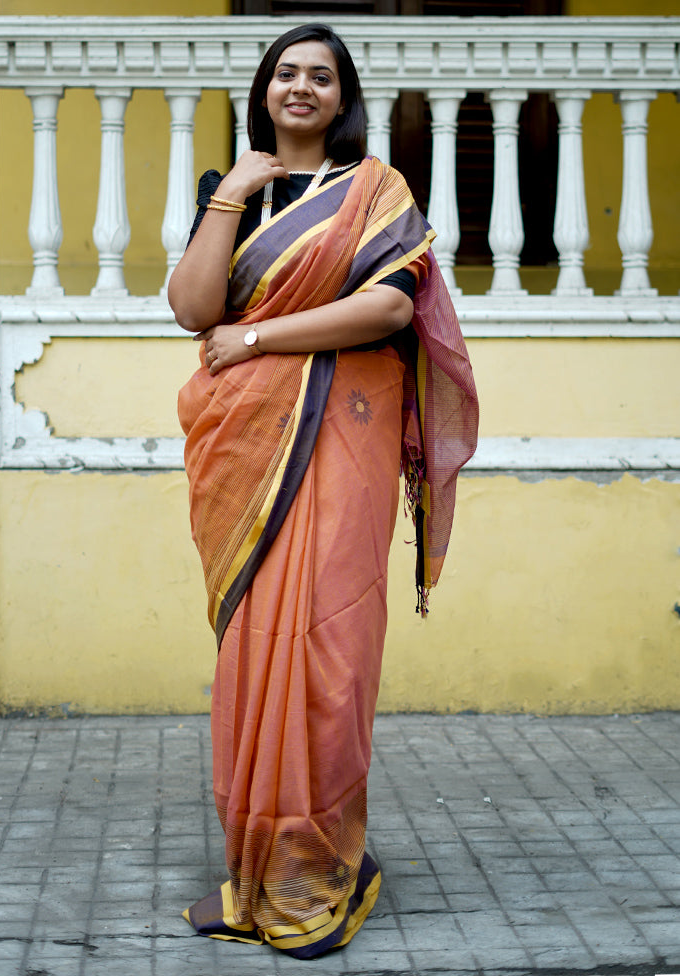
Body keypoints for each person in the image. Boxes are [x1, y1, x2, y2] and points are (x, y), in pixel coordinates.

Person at [168, 22, 478, 960]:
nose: (302, 88)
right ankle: (260, 870)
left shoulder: (376, 190)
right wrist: (230, 194)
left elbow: (389, 306)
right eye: (287, 74)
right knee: (258, 651)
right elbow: (192, 309)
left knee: (331, 648)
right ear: (265, 88)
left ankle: (321, 872)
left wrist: (258, 340)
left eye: (322, 77)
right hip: (246, 453)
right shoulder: (233, 193)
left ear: (342, 98)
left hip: (343, 436)